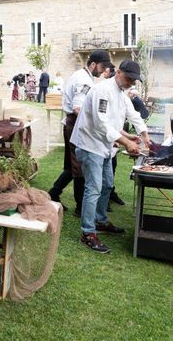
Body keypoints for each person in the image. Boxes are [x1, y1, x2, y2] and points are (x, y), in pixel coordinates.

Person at [72, 60, 151, 253]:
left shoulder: (121, 93)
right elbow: (101, 124)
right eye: (129, 78)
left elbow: (132, 114)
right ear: (119, 73)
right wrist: (126, 142)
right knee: (94, 188)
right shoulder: (102, 90)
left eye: (134, 81)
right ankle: (87, 233)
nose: (131, 83)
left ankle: (100, 220)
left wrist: (143, 134)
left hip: (104, 146)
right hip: (90, 145)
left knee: (107, 184)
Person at [48, 50, 111, 215]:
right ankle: (80, 207)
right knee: (79, 167)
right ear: (92, 64)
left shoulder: (81, 75)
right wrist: (94, 123)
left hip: (72, 123)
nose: (104, 70)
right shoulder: (85, 80)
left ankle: (54, 193)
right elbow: (77, 108)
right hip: (76, 124)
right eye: (102, 66)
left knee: (71, 166)